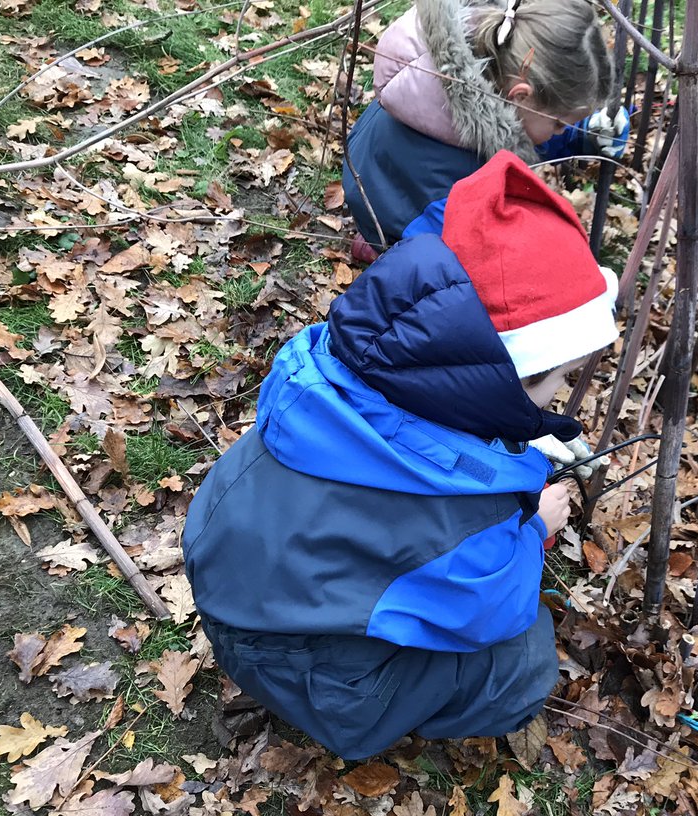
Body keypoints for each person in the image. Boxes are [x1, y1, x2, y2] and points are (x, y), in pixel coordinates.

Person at [182, 151, 620, 760]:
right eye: (559, 377)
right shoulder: (469, 522)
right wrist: (534, 530)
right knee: (523, 665)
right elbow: (491, 613)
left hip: (225, 585)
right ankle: (358, 715)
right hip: (302, 671)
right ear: (512, 377)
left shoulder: (342, 369)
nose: (563, 390)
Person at [343, 0, 630, 257]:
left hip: (377, 178)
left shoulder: (483, 55)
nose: (560, 131)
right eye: (560, 124)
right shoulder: (461, 185)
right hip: (407, 217)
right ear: (521, 96)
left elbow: (526, 130)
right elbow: (471, 259)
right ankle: (385, 247)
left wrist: (585, 135)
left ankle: (378, 239)